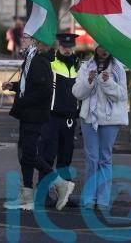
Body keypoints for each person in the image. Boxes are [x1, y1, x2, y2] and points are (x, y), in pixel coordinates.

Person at [2, 34, 75, 211]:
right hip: (28, 114)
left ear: (35, 41)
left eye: (26, 37)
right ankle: (26, 195)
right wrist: (15, 86)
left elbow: (44, 90)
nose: (23, 39)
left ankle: (61, 183)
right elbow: (31, 84)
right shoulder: (31, 59)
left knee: (29, 155)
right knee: (25, 156)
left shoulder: (39, 60)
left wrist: (22, 101)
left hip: (34, 115)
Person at [72, 46, 128, 210]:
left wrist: (107, 82)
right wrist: (89, 81)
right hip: (89, 119)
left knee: (105, 158)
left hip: (110, 120)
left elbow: (122, 95)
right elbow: (77, 93)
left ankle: (103, 200)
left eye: (108, 47)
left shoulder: (118, 68)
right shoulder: (86, 67)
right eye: (102, 47)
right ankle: (89, 199)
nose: (105, 50)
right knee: (92, 159)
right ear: (96, 48)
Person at [39, 33, 80, 207]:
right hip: (52, 118)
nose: (67, 50)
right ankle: (43, 194)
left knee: (65, 158)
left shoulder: (78, 65)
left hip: (70, 119)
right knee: (47, 156)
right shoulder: (50, 61)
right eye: (64, 47)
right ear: (59, 46)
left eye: (70, 47)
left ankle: (65, 195)